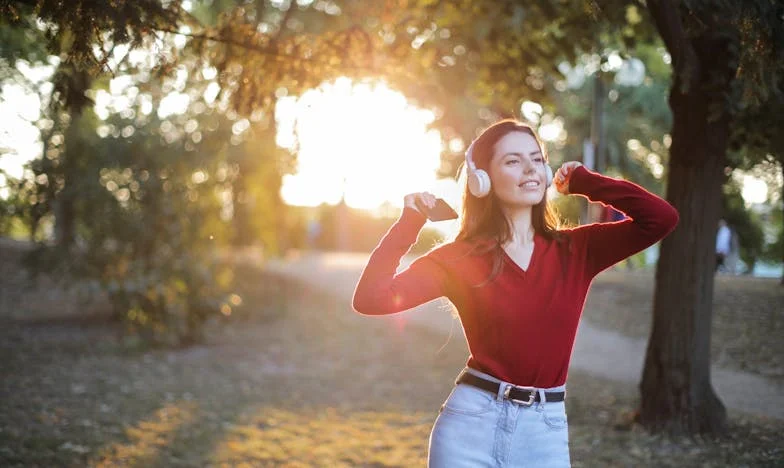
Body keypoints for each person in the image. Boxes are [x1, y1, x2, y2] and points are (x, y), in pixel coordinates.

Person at [352, 119, 679, 467]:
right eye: (513, 160)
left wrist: (587, 182)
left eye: (537, 159)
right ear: (482, 179)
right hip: (469, 427)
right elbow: (371, 297)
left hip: (545, 431)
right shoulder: (459, 258)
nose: (530, 169)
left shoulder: (577, 250)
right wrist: (409, 222)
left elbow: (661, 219)